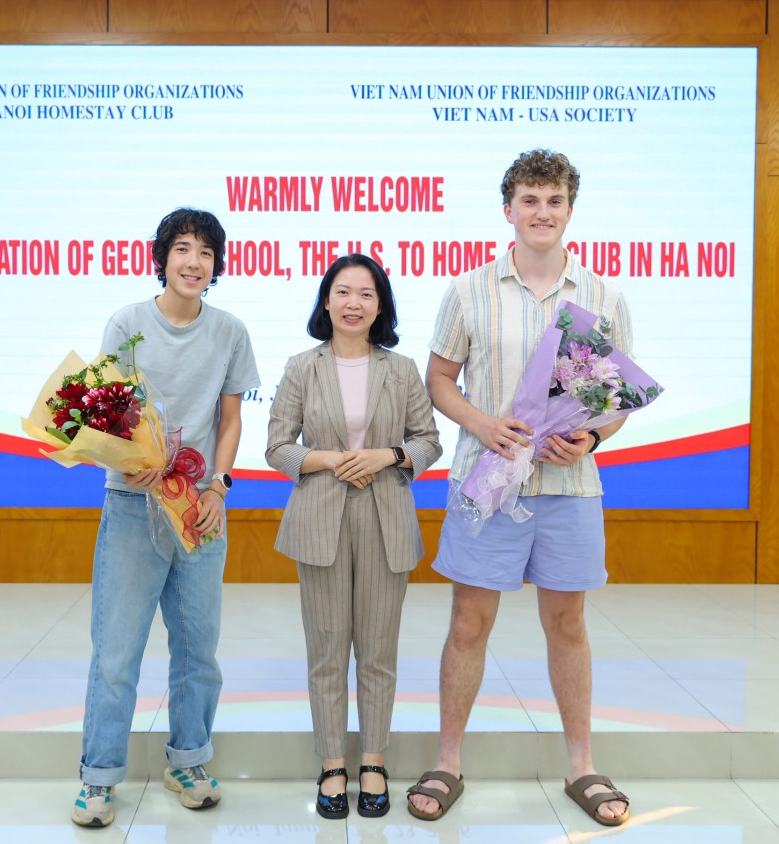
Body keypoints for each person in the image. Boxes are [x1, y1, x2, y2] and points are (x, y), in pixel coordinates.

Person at [406, 150, 632, 826]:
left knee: (568, 624)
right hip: (487, 484)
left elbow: (617, 402)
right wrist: (481, 421)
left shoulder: (602, 296)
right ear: (508, 209)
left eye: (554, 200)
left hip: (570, 486)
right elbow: (439, 378)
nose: (542, 213)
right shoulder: (469, 289)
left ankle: (581, 765)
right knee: (469, 623)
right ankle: (448, 762)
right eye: (529, 200)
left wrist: (591, 437)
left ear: (570, 210)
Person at [72, 208, 260, 828]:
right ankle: (99, 777)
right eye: (183, 249)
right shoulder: (127, 322)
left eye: (206, 253)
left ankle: (188, 761)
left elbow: (231, 420)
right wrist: (126, 462)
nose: (193, 262)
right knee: (117, 651)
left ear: (217, 265)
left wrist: (220, 487)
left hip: (200, 508)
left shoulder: (230, 331)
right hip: (132, 504)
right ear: (163, 256)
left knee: (198, 651)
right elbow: (103, 412)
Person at [266, 254, 441, 820]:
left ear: (380, 305)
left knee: (378, 649)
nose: (353, 303)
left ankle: (372, 759)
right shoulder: (301, 367)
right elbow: (276, 447)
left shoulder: (403, 368)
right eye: (343, 292)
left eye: (367, 294)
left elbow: (428, 441)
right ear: (325, 301)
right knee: (326, 650)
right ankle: (331, 763)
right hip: (320, 518)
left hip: (387, 517)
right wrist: (329, 460)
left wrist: (386, 455)